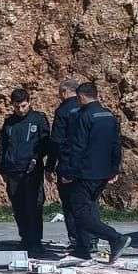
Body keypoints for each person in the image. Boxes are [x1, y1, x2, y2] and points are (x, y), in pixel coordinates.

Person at [57, 81, 129, 263]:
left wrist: (69, 172)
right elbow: (116, 145)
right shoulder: (109, 116)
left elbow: (78, 147)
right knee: (87, 209)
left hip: (85, 173)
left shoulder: (83, 116)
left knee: (79, 213)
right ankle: (83, 248)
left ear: (81, 97)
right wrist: (114, 169)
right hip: (103, 174)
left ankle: (116, 238)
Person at [0, 88, 50, 257]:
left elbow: (45, 143)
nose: (20, 110)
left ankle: (36, 241)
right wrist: (0, 169)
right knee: (18, 207)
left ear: (29, 102)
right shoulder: (9, 122)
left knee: (34, 206)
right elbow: (2, 146)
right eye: (17, 106)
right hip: (13, 170)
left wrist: (36, 158)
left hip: (31, 171)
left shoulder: (38, 119)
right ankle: (25, 238)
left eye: (23, 106)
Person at [46, 77, 83, 255]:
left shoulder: (63, 110)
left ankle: (76, 240)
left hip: (67, 164)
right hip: (87, 165)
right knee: (87, 203)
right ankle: (90, 239)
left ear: (64, 91)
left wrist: (50, 166)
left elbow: (56, 140)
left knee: (69, 204)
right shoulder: (87, 107)